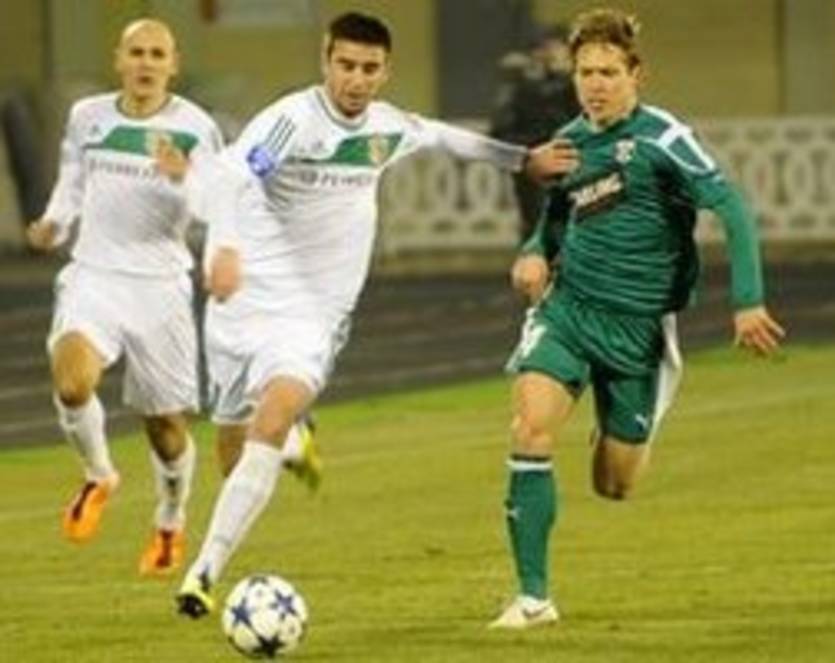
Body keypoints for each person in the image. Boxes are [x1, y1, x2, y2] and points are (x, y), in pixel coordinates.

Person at [175, 11, 579, 618]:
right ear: (326, 61)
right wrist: (226, 248)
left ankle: (203, 573)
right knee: (234, 442)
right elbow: (234, 177)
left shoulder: (387, 127)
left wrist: (523, 160)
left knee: (273, 414)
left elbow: (444, 137)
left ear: (385, 71)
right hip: (246, 298)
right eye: (346, 65)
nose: (356, 80)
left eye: (369, 68)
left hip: (314, 314)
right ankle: (289, 439)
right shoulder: (292, 121)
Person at [489, 8, 785, 629]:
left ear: (635, 75)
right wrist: (534, 252)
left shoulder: (664, 138)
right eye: (585, 73)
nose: (595, 85)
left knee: (615, 484)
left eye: (608, 73)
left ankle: (617, 425)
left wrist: (748, 301)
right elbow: (554, 222)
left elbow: (732, 208)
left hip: (638, 331)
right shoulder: (569, 141)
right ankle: (534, 599)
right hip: (569, 312)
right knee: (530, 428)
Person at [27, 19, 223, 576]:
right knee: (72, 383)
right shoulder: (87, 116)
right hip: (94, 274)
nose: (146, 63)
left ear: (173, 65)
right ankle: (98, 475)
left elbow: (215, 205)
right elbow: (72, 181)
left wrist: (183, 177)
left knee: (165, 429)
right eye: (136, 52)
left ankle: (170, 519)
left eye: (157, 54)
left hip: (160, 287)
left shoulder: (196, 127)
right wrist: (54, 224)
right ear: (119, 59)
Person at [490, 23, 581, 244]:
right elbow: (502, 128)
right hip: (536, 163)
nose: (550, 54)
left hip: (571, 163)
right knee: (538, 223)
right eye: (545, 48)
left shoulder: (576, 83)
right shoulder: (522, 85)